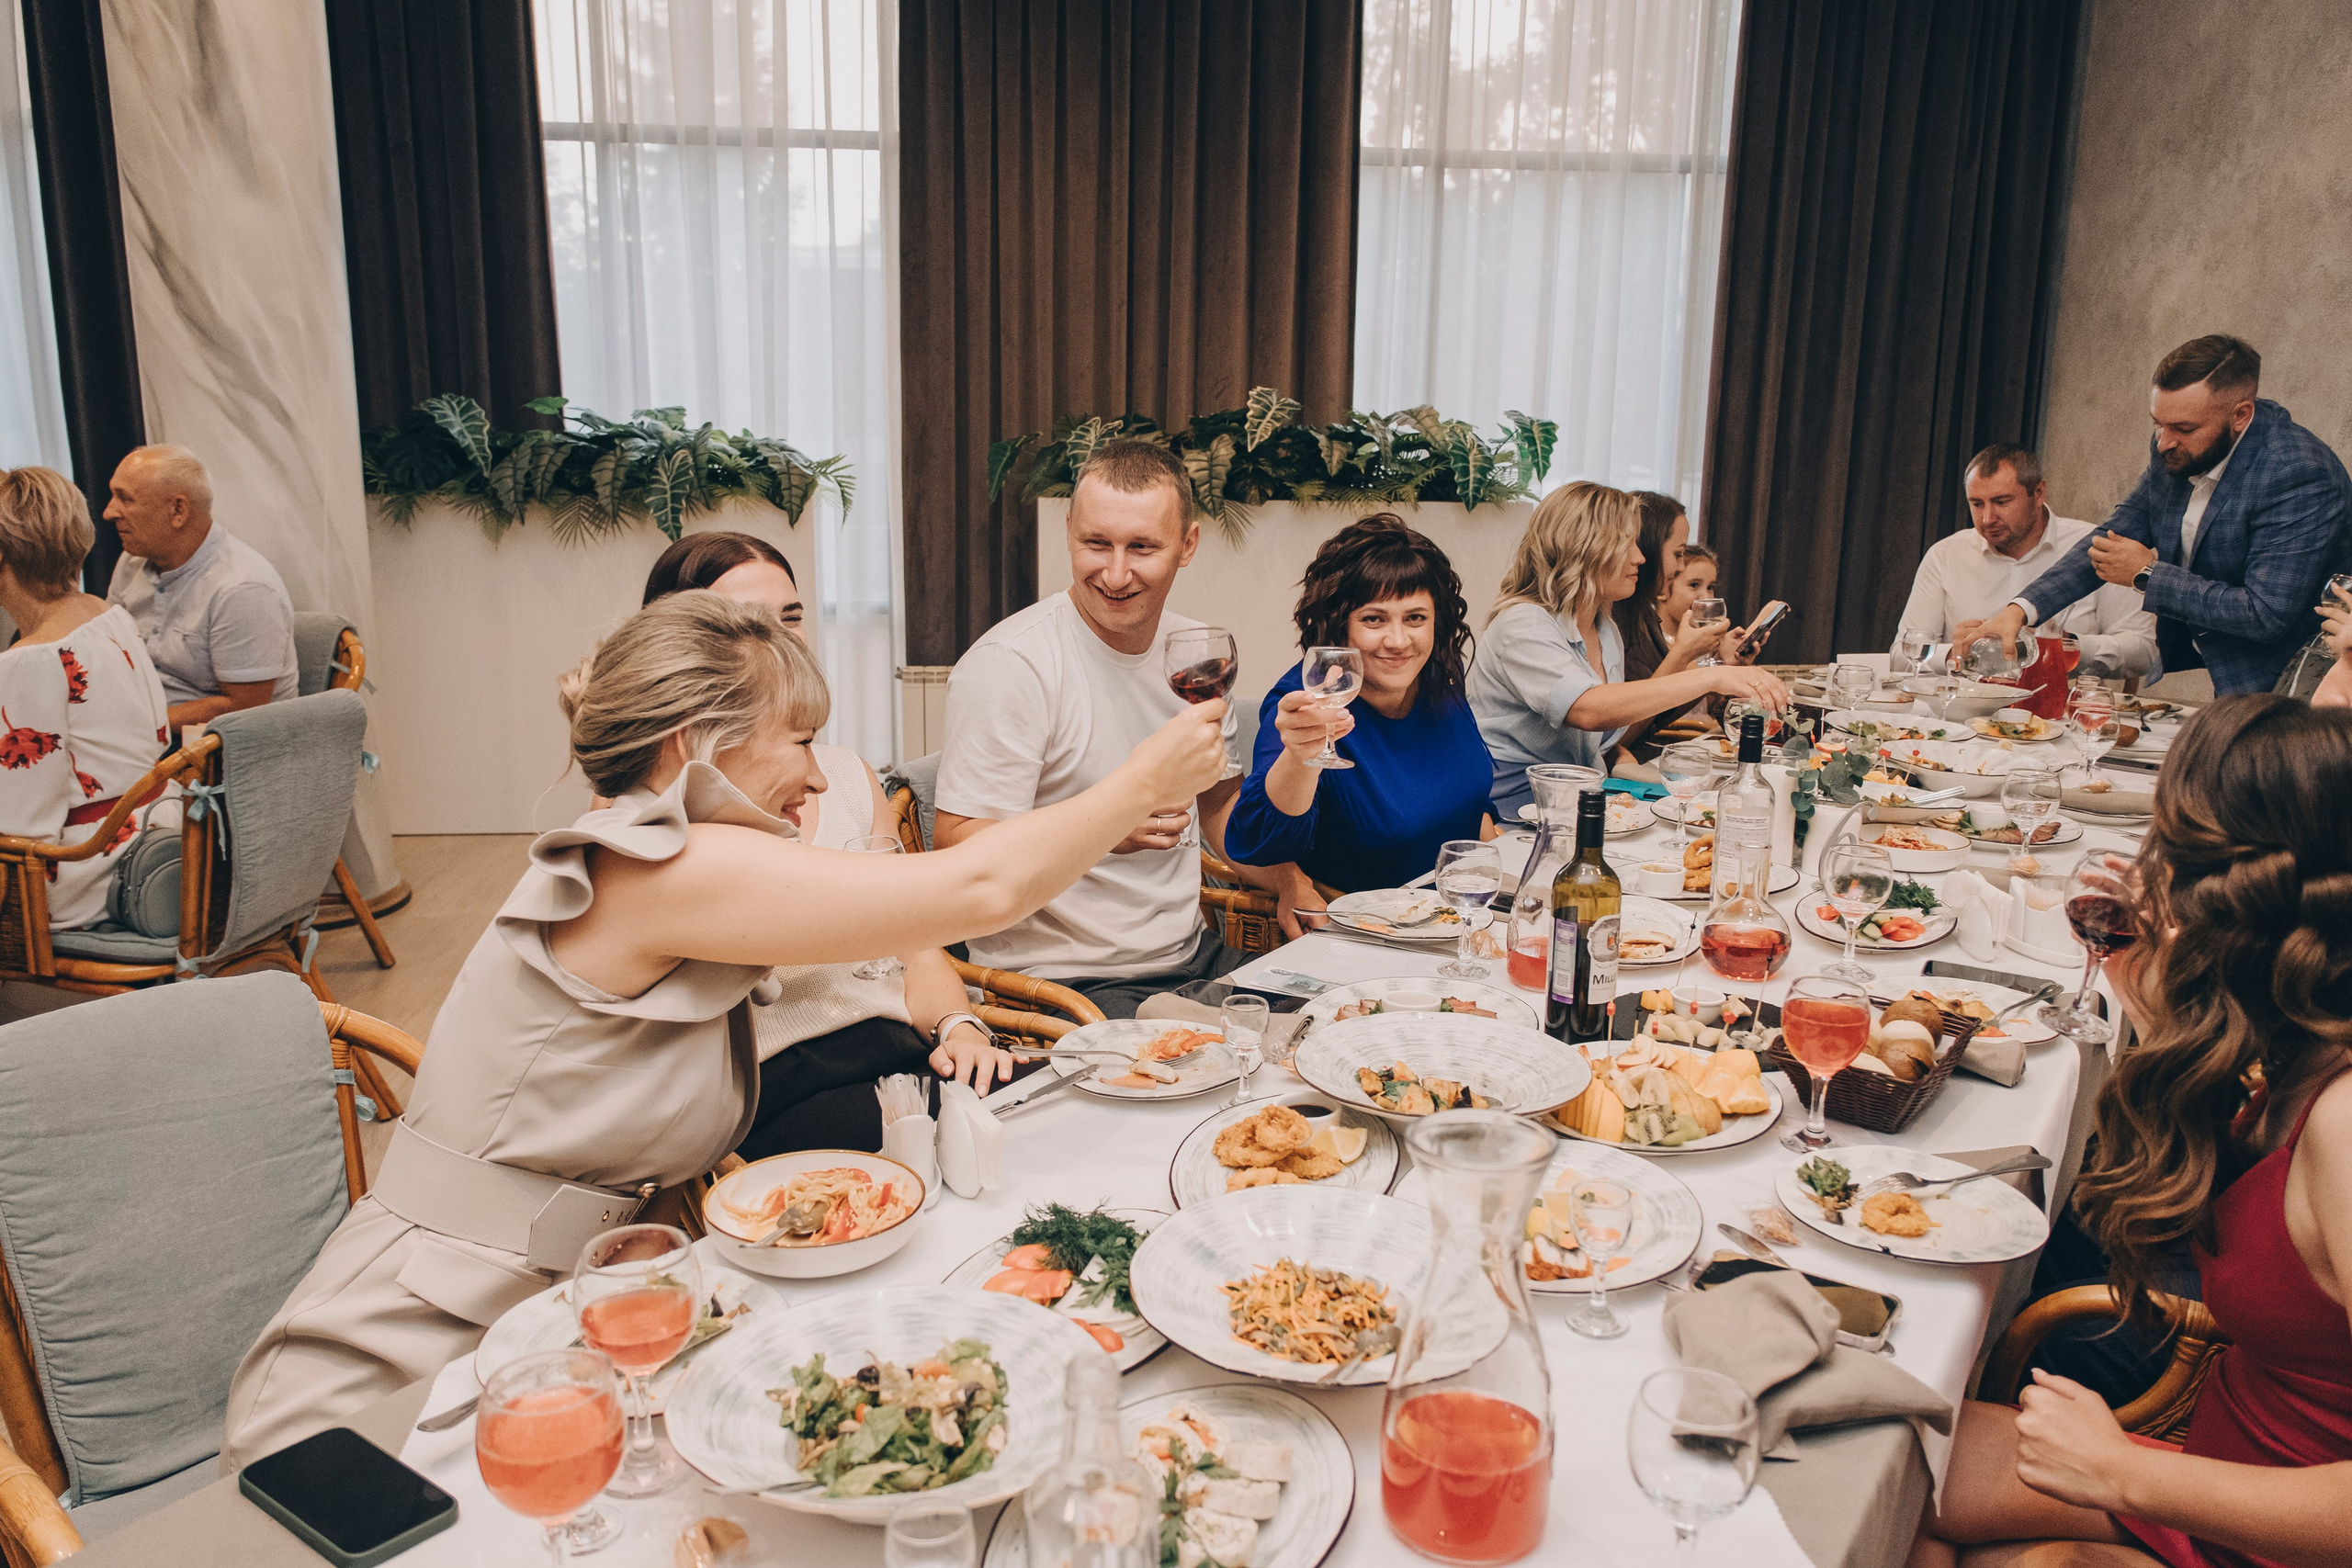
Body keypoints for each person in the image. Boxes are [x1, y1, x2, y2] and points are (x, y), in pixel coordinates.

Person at [221, 590, 1227, 1466]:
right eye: (797, 739)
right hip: (397, 1363)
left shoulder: (675, 865)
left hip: (558, 1335)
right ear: (694, 745)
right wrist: (1142, 781)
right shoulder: (648, 867)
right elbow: (979, 886)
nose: (821, 777)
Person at [1909, 694, 2352, 1568]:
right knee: (1885, 1460)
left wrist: (2121, 1474)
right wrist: (2160, 1007)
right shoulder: (2284, 1047)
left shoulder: (2343, 1120)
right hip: (2220, 1467)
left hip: (2267, 1524)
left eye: (2170, 850)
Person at [636, 530, 1018, 1149]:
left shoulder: (842, 771)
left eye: (792, 617)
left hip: (902, 1051)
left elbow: (917, 946)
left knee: (1057, 1108)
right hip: (775, 1087)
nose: (784, 642)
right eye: (752, 624)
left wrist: (961, 1026)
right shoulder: (650, 809)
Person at [933, 439, 1269, 1019]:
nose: (1115, 574)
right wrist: (1108, 824)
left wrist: (1290, 882)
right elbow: (960, 849)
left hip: (1194, 956)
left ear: (1187, 544)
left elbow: (1218, 806)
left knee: (1347, 1019)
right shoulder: (1012, 664)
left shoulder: (1196, 652)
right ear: (1069, 530)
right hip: (1066, 979)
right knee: (1251, 1065)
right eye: (1096, 544)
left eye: (1141, 547)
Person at [1953, 336, 2352, 695]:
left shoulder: (2299, 473)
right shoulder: (2175, 447)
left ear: (2241, 415)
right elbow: (2108, 541)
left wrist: (2147, 575)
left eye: (2182, 427)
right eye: (2158, 424)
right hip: (2228, 676)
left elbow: (2264, 614)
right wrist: (2019, 610)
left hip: (2296, 685)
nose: (2164, 442)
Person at [1223, 515, 1497, 934]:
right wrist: (1302, 758)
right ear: (1338, 625)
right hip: (1369, 937)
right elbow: (1261, 842)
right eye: (1374, 619)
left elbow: (1472, 802)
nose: (1399, 641)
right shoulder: (1304, 704)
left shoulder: (1438, 678)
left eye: (1415, 618)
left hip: (1459, 923)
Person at [1467, 480, 1789, 818]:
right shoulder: (1523, 624)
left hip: (1580, 801)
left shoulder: (1603, 627)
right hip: (1513, 811)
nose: (1639, 557)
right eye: (1626, 544)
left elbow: (1613, 728)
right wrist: (1712, 676)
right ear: (1584, 549)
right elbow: (1590, 710)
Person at [0, 467, 173, 930]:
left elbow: (20, 830)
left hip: (88, 873)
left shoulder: (29, 661)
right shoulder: (105, 613)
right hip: (158, 829)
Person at [1900, 444, 2159, 681]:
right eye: (1977, 504)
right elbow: (1902, 655)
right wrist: (1952, 654)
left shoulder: (2095, 548)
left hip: (2060, 717)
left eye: (2001, 502)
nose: (1987, 518)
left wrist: (2068, 647)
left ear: (2038, 493)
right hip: (1963, 715)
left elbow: (2143, 652)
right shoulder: (1946, 554)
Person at [101, 445, 299, 735]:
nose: (109, 512)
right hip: (142, 733)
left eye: (125, 499)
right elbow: (110, 651)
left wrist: (135, 727)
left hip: (211, 753)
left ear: (178, 509)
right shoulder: (132, 561)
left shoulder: (242, 588)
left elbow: (246, 709)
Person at [1611, 492, 1737, 762]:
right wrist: (1683, 656)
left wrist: (1717, 665)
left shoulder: (1643, 616)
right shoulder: (1614, 619)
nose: (1679, 566)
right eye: (1678, 554)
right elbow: (1615, 737)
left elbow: (1663, 710)